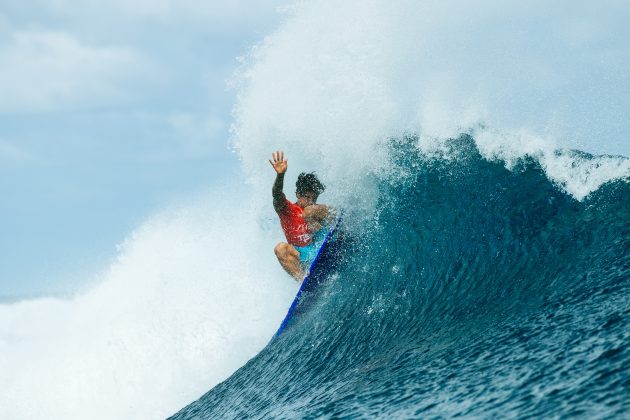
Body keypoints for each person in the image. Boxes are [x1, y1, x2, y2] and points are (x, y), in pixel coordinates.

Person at [269, 150, 333, 280]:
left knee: (310, 211)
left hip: (322, 241)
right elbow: (277, 195)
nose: (312, 202)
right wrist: (280, 176)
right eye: (308, 197)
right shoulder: (286, 209)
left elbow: (323, 212)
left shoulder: (312, 210)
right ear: (298, 194)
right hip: (303, 255)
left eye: (314, 198)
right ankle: (303, 280)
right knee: (280, 248)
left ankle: (343, 231)